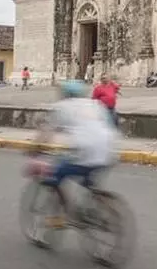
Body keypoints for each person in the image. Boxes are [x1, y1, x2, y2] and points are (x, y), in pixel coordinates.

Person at [31, 79, 118, 228]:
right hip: (109, 150)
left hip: (86, 151)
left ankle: (59, 217)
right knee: (88, 178)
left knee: (54, 175)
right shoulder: (95, 105)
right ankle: (96, 204)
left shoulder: (62, 106)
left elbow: (47, 132)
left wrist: (35, 149)